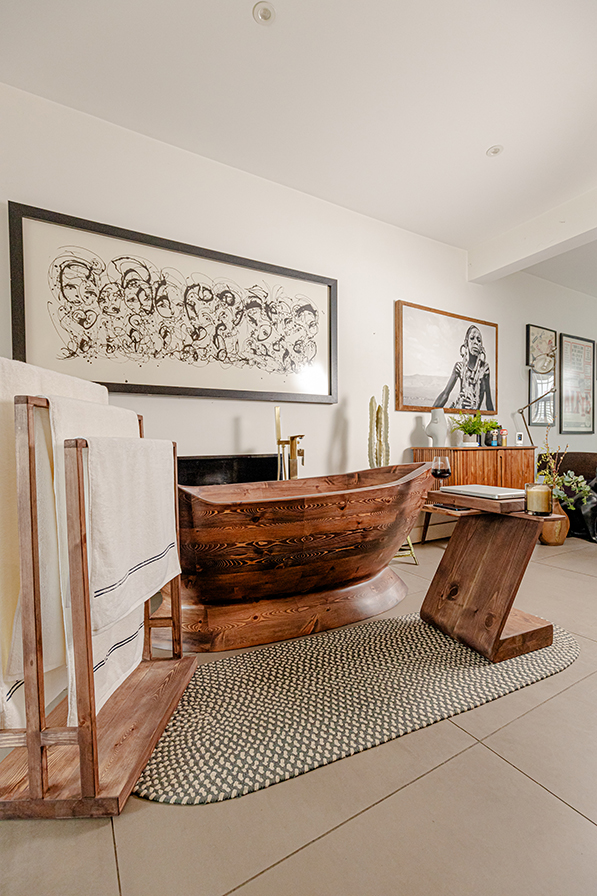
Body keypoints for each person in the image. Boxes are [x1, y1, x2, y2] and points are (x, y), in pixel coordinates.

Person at [433, 325, 494, 411]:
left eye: (479, 340)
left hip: (474, 419)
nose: (476, 342)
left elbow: (488, 399)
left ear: (481, 347)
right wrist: (430, 412)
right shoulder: (460, 367)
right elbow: (445, 394)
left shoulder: (484, 369)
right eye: (472, 338)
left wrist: (493, 421)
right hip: (459, 413)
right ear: (466, 343)